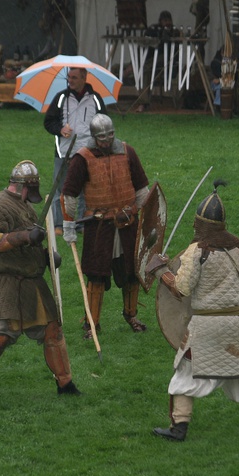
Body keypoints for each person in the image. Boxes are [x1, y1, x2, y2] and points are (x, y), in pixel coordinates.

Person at [146, 181, 239, 441]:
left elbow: (181, 289)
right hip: (236, 324)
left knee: (186, 374)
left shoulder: (197, 252)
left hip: (204, 327)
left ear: (198, 223)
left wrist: (161, 271)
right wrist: (236, 303)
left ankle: (178, 428)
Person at [0, 160, 81, 406]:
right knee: (0, 337)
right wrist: (24, 236)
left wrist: (47, 256)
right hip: (7, 284)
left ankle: (65, 384)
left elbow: (33, 242)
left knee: (52, 331)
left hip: (32, 283)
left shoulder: (24, 206)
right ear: (22, 186)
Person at [61, 114, 150, 340]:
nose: (107, 141)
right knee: (96, 275)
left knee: (132, 272)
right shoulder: (82, 158)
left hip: (127, 221)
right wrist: (69, 226)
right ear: (93, 137)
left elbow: (141, 187)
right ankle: (92, 323)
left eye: (110, 135)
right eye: (102, 137)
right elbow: (69, 194)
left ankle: (131, 315)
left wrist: (145, 215)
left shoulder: (127, 152)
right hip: (99, 225)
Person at [43, 67, 107, 235]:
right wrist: (60, 129)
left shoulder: (96, 99)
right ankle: (59, 224)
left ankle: (82, 223)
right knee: (61, 189)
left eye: (74, 77)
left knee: (87, 189)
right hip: (63, 151)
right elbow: (48, 122)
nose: (70, 80)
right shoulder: (61, 98)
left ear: (84, 78)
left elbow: (104, 121)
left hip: (88, 151)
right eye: (69, 77)